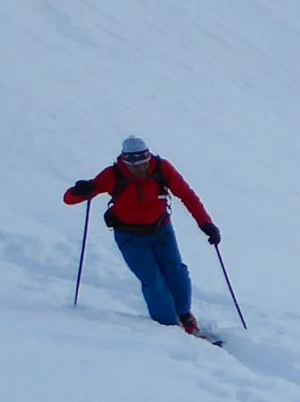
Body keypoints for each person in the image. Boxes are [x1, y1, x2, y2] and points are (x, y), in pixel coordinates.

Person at [64, 136, 221, 337]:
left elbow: (187, 195)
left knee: (177, 272)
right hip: (130, 237)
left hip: (162, 231)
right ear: (125, 161)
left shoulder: (162, 169)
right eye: (133, 165)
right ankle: (169, 329)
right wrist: (79, 191)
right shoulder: (113, 175)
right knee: (153, 280)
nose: (139, 169)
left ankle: (185, 317)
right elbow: (69, 199)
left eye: (143, 163)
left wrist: (206, 224)